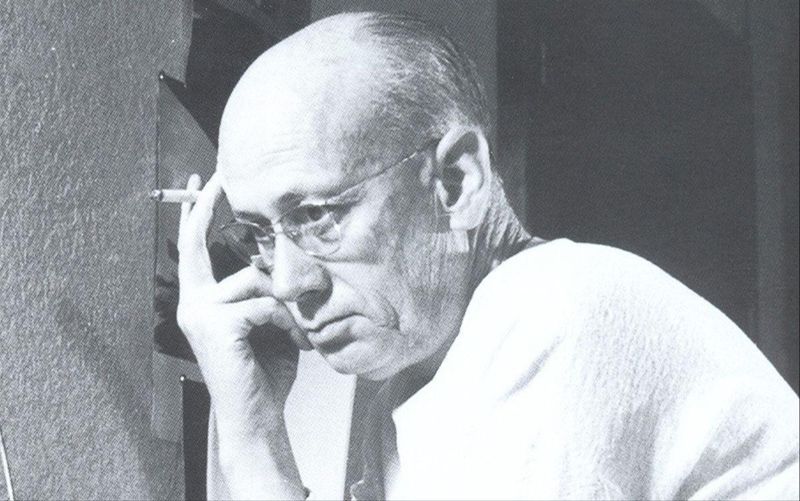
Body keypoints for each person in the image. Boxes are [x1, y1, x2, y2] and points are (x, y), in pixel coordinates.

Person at [176, 11, 799, 500]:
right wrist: (251, 424)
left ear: (456, 182)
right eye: (260, 235)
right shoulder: (413, 380)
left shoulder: (553, 311)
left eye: (317, 217)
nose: (288, 283)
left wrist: (256, 453)